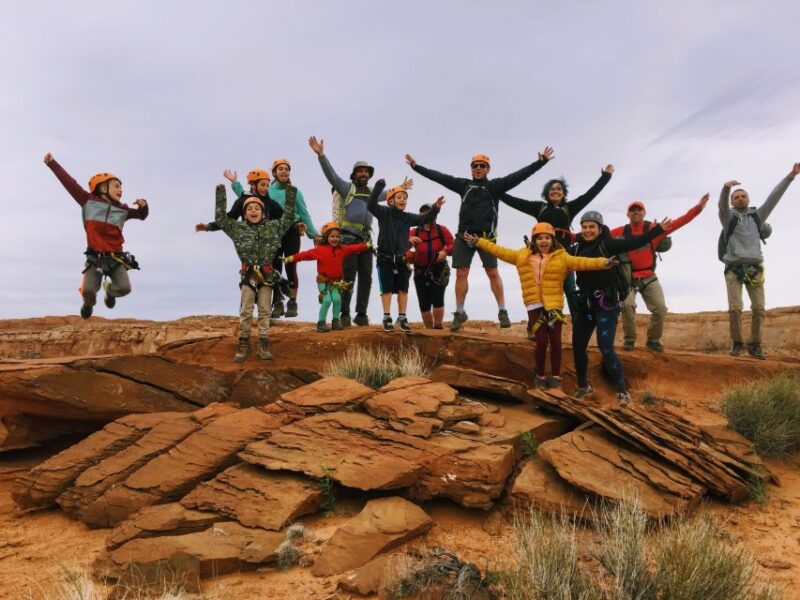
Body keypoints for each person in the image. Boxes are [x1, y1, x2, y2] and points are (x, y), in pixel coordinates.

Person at [405, 147, 554, 331]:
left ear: (488, 169)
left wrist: (540, 163)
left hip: (487, 238)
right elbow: (440, 177)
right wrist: (416, 167)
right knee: (461, 273)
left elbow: (519, 176)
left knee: (492, 272)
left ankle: (502, 311)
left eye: (482, 166)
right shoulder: (463, 185)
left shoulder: (494, 186)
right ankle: (459, 313)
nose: (478, 168)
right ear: (471, 168)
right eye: (475, 165)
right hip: (464, 237)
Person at [464, 223, 613, 389]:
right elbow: (500, 251)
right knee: (541, 342)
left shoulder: (562, 257)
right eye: (540, 238)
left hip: (554, 305)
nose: (544, 241)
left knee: (556, 342)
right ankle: (540, 376)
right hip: (534, 305)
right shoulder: (521, 255)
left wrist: (603, 262)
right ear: (534, 240)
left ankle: (556, 377)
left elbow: (582, 262)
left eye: (547, 238)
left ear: (552, 240)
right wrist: (479, 242)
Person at [308, 136, 412, 327]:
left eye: (366, 171)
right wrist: (321, 155)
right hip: (347, 239)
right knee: (348, 276)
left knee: (366, 277)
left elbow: (388, 193)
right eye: (360, 171)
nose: (363, 173)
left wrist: (401, 187)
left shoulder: (372, 194)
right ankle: (345, 314)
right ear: (354, 174)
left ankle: (361, 314)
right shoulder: (347, 188)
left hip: (366, 240)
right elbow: (331, 175)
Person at [570, 211, 671, 404]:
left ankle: (622, 391)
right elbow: (558, 259)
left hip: (605, 304)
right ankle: (583, 386)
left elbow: (634, 242)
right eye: (584, 227)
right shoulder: (575, 249)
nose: (588, 230)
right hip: (585, 305)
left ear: (600, 229)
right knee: (577, 346)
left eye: (592, 226)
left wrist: (657, 230)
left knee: (605, 347)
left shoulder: (608, 244)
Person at [500, 165, 615, 318]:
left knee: (571, 291)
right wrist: (496, 191)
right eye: (552, 189)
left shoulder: (569, 208)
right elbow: (513, 201)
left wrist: (605, 177)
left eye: (559, 189)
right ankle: (535, 326)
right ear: (546, 193)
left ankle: (578, 323)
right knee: (541, 292)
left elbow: (590, 194)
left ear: (563, 193)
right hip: (541, 259)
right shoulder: (538, 207)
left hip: (563, 257)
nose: (555, 191)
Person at [43, 153, 148, 319]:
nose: (120, 190)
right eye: (116, 186)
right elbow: (70, 184)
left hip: (115, 259)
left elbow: (141, 215)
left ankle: (109, 292)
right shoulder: (87, 201)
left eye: (121, 187)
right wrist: (53, 164)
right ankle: (88, 304)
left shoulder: (123, 210)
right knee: (88, 291)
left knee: (125, 288)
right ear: (102, 187)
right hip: (95, 258)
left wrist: (144, 206)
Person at [719, 163, 799, 359]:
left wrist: (790, 176)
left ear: (748, 199)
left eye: (742, 196)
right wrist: (725, 189)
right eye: (736, 197)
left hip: (755, 267)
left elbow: (774, 197)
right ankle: (737, 344)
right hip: (733, 268)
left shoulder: (758, 216)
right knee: (735, 308)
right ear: (732, 201)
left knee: (759, 308)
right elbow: (721, 207)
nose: (740, 199)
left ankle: (755, 345)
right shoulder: (728, 219)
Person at [610, 194, 709, 352]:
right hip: (627, 279)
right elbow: (598, 237)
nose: (636, 212)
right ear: (627, 214)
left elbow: (680, 222)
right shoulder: (619, 231)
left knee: (661, 308)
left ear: (644, 213)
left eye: (639, 210)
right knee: (627, 306)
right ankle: (629, 339)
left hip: (649, 276)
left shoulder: (654, 229)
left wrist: (697, 209)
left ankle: (653, 340)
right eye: (632, 210)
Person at [211, 183, 296, 363]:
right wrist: (221, 194)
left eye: (257, 208)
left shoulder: (274, 227)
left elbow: (288, 217)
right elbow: (221, 219)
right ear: (244, 213)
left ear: (264, 212)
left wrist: (290, 193)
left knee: (265, 310)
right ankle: (243, 342)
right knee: (246, 310)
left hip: (267, 275)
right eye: (249, 208)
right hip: (248, 276)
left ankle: (264, 343)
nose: (253, 210)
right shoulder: (238, 229)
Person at [367, 180, 444, 332]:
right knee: (387, 288)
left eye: (405, 197)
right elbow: (370, 205)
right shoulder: (384, 212)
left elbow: (423, 218)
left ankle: (402, 317)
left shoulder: (408, 217)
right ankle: (387, 317)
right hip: (385, 256)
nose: (403, 200)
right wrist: (378, 188)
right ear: (390, 201)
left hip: (402, 258)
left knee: (403, 288)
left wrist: (435, 208)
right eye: (399, 197)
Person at [284, 222, 369, 332]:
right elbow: (305, 255)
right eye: (332, 236)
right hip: (323, 282)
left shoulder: (342, 249)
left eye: (337, 236)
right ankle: (321, 323)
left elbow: (353, 248)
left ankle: (335, 321)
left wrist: (365, 246)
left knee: (337, 299)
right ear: (326, 237)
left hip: (336, 283)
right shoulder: (320, 250)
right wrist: (290, 258)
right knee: (327, 300)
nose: (335, 239)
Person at [408, 204, 455, 329]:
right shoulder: (414, 231)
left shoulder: (441, 230)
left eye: (428, 212)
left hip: (439, 269)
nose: (426, 215)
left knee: (437, 298)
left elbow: (452, 244)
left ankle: (438, 327)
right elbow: (402, 244)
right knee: (424, 303)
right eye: (423, 213)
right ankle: (429, 331)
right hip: (420, 270)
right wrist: (409, 240)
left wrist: (445, 251)